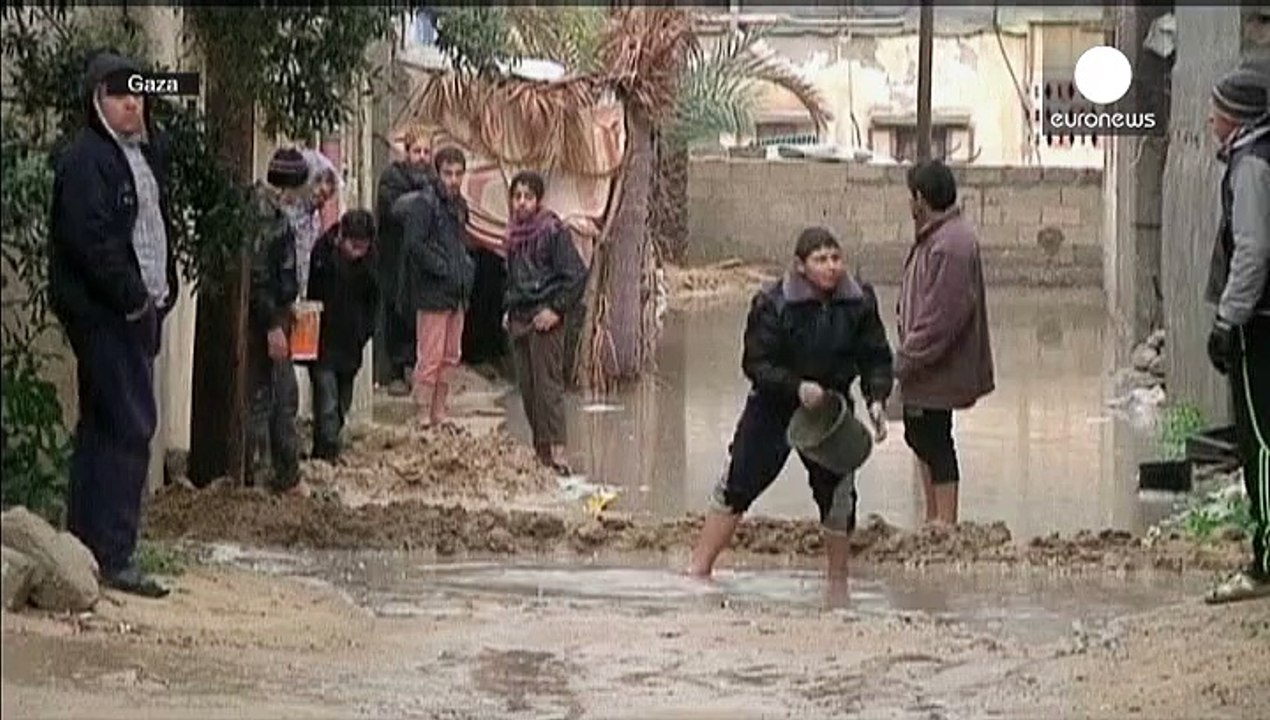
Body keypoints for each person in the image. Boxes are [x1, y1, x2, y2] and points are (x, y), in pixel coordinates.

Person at [686, 227, 892, 602]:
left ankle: (837, 584)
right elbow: (756, 363)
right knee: (737, 484)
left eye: (835, 258)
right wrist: (796, 387)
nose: (831, 267)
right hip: (773, 406)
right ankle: (698, 572)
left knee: (839, 496)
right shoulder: (773, 303)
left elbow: (876, 357)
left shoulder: (859, 301)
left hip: (830, 412)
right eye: (820, 260)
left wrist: (877, 399)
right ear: (800, 266)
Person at [48, 50, 180, 598]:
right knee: (127, 427)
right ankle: (114, 552)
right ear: (97, 100)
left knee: (106, 427)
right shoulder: (87, 160)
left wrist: (158, 297)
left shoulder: (137, 156)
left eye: (138, 94)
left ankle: (87, 549)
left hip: (134, 313)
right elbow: (92, 243)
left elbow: (151, 228)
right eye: (120, 95)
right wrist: (132, 300)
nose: (132, 104)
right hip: (108, 316)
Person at [895, 160, 995, 528]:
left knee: (934, 438)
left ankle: (945, 521)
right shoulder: (937, 237)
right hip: (926, 365)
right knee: (920, 434)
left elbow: (943, 317)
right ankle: (933, 514)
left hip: (935, 366)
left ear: (920, 198)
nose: (909, 204)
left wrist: (906, 358)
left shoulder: (950, 244)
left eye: (911, 196)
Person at [1202, 60, 1270, 605]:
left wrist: (1228, 320)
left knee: (1262, 443)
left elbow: (1252, 250)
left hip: (1260, 325)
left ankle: (1264, 564)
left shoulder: (1251, 165)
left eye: (1217, 108)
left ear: (1240, 117)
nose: (1209, 117)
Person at [502, 171, 588, 475]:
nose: (521, 203)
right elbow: (512, 277)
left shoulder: (552, 231)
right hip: (520, 317)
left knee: (547, 388)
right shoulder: (513, 234)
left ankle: (558, 452)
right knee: (527, 389)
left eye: (527, 197)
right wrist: (508, 309)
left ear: (538, 200)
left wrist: (556, 310)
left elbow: (577, 275)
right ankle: (541, 453)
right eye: (517, 197)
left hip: (546, 319)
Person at [394, 145, 475, 427]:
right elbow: (414, 245)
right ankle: (422, 416)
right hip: (432, 292)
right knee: (430, 356)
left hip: (456, 292)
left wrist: (464, 271)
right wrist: (441, 268)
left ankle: (439, 412)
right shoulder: (425, 204)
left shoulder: (460, 206)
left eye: (458, 174)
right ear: (438, 173)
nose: (453, 179)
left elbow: (462, 245)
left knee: (451, 357)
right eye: (448, 173)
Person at [246, 148, 309, 497]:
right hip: (268, 320)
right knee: (277, 395)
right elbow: (258, 274)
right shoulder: (267, 217)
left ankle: (277, 474)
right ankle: (279, 477)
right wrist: (272, 324)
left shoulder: (272, 212)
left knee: (275, 395)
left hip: (278, 313)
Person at [305, 209, 380, 462]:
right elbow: (313, 291)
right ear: (341, 237)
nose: (358, 252)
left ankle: (326, 451)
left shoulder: (370, 263)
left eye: (363, 246)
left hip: (351, 346)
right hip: (324, 343)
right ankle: (326, 454)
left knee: (339, 407)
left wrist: (364, 332)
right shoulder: (323, 253)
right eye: (354, 245)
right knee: (326, 404)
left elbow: (374, 303)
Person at [375, 130, 433, 395]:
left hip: (421, 261)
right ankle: (396, 372)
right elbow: (395, 208)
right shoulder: (393, 177)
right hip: (394, 257)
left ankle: (416, 369)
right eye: (417, 151)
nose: (421, 157)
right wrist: (427, 199)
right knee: (395, 312)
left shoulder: (434, 180)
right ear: (407, 152)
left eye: (426, 152)